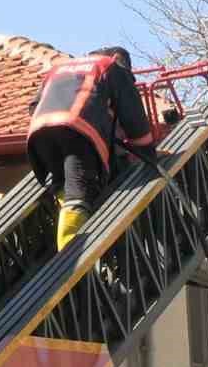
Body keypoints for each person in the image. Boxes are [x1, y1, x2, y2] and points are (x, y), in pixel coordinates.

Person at [26, 46, 158, 251]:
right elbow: (134, 117)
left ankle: (71, 235)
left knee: (65, 185)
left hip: (39, 133)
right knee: (78, 195)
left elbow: (34, 106)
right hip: (76, 131)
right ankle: (70, 258)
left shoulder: (60, 68)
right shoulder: (110, 66)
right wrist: (148, 153)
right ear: (117, 58)